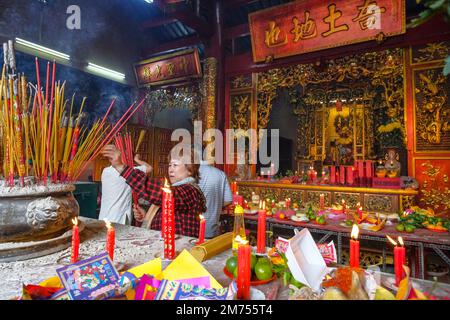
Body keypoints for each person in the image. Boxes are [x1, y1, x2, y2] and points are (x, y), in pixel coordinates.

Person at [101, 144, 206, 237]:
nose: (170, 169)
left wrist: (121, 167)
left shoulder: (191, 190)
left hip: (180, 252)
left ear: (190, 169)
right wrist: (145, 217)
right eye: (170, 165)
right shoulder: (178, 189)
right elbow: (166, 213)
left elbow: (162, 194)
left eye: (175, 165)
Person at [98, 154, 152, 225]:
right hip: (119, 220)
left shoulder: (105, 171)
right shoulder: (128, 172)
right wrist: (137, 159)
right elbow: (149, 168)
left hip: (104, 218)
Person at [194, 147, 232, 239]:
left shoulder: (190, 172)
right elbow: (228, 200)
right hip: (212, 229)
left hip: (192, 230)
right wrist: (215, 204)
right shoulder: (220, 174)